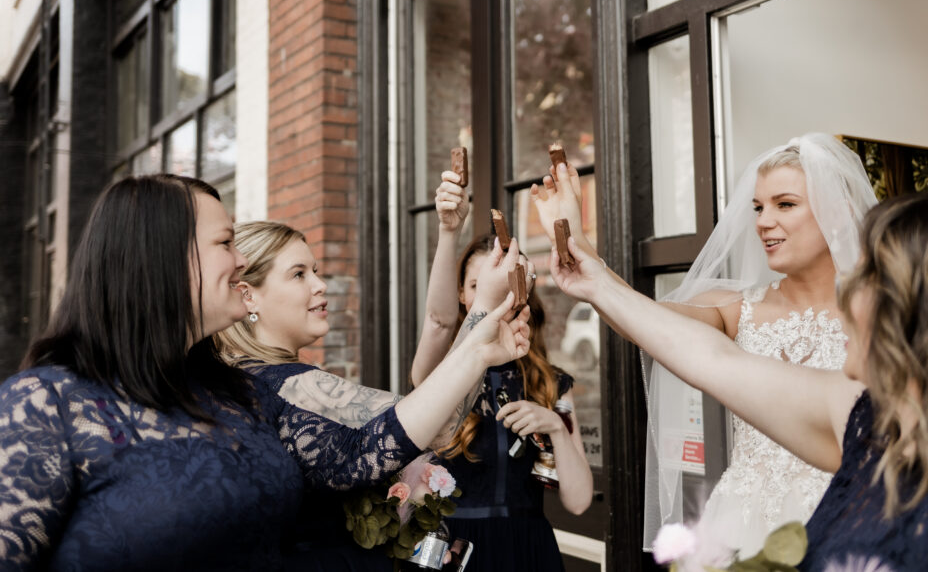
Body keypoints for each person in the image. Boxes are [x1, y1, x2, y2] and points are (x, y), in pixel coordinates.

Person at [0, 174, 530, 570]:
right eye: (225, 243)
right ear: (160, 258)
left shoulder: (241, 395)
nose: (237, 262)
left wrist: (481, 347)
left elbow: (368, 449)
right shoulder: (47, 404)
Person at [549, 190, 928, 570]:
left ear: (923, 310)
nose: (849, 291)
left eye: (869, 275)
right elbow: (710, 358)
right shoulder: (863, 418)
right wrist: (597, 282)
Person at [530, 134, 878, 552]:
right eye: (758, 208)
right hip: (742, 525)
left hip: (848, 517)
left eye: (785, 204)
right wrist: (579, 244)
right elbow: (644, 322)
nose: (764, 221)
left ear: (838, 213)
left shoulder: (885, 312)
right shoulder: (734, 308)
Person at [213, 220, 515, 570]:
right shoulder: (289, 385)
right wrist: (483, 309)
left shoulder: (237, 378)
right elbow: (440, 424)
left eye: (315, 270)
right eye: (299, 275)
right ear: (249, 294)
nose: (320, 284)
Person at [409, 171, 593, 572]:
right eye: (477, 286)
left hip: (528, 552)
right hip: (456, 551)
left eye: (505, 285)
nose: (493, 297)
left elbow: (578, 502)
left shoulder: (549, 381)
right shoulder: (443, 370)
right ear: (461, 294)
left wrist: (557, 427)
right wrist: (447, 230)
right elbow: (438, 322)